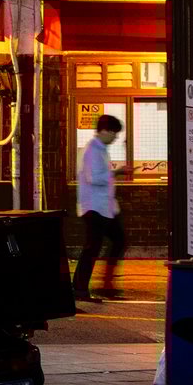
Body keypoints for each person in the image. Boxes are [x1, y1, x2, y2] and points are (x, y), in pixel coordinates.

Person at [72, 114, 126, 301]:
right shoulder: (92, 151)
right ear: (104, 131)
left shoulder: (101, 149)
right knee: (93, 248)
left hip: (104, 207)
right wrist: (116, 172)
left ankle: (104, 284)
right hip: (94, 208)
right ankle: (82, 288)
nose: (116, 137)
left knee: (116, 241)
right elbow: (94, 178)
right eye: (114, 133)